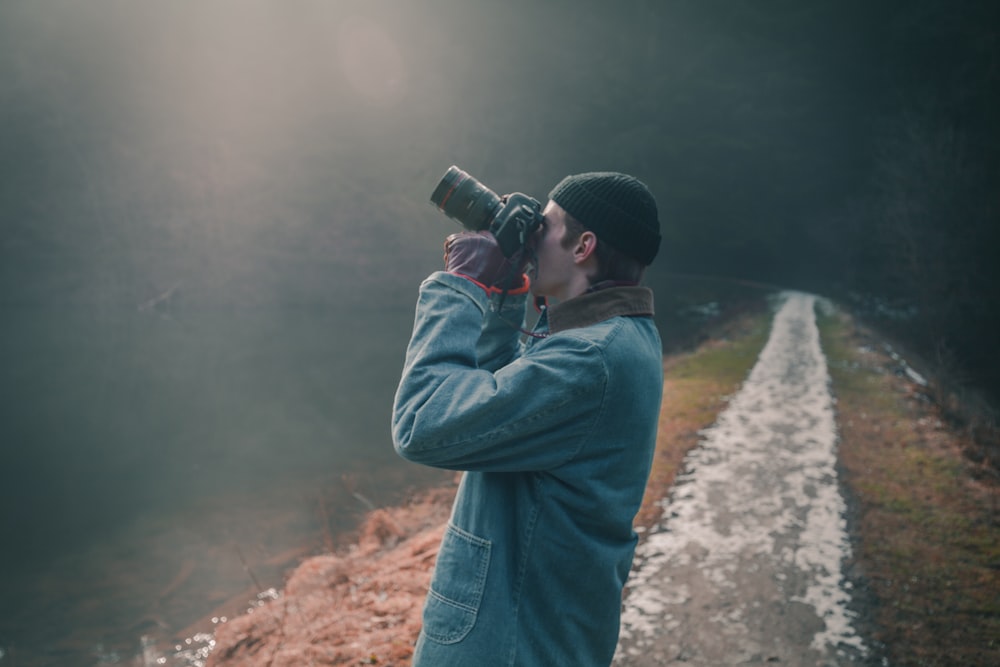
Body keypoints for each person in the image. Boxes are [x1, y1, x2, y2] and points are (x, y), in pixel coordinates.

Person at [391, 171, 664, 666]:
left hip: (510, 641)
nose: (531, 233)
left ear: (583, 246)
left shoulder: (589, 359)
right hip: (538, 625)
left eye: (545, 224)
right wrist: (508, 296)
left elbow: (423, 424)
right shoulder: (617, 338)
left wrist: (460, 285)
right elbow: (492, 408)